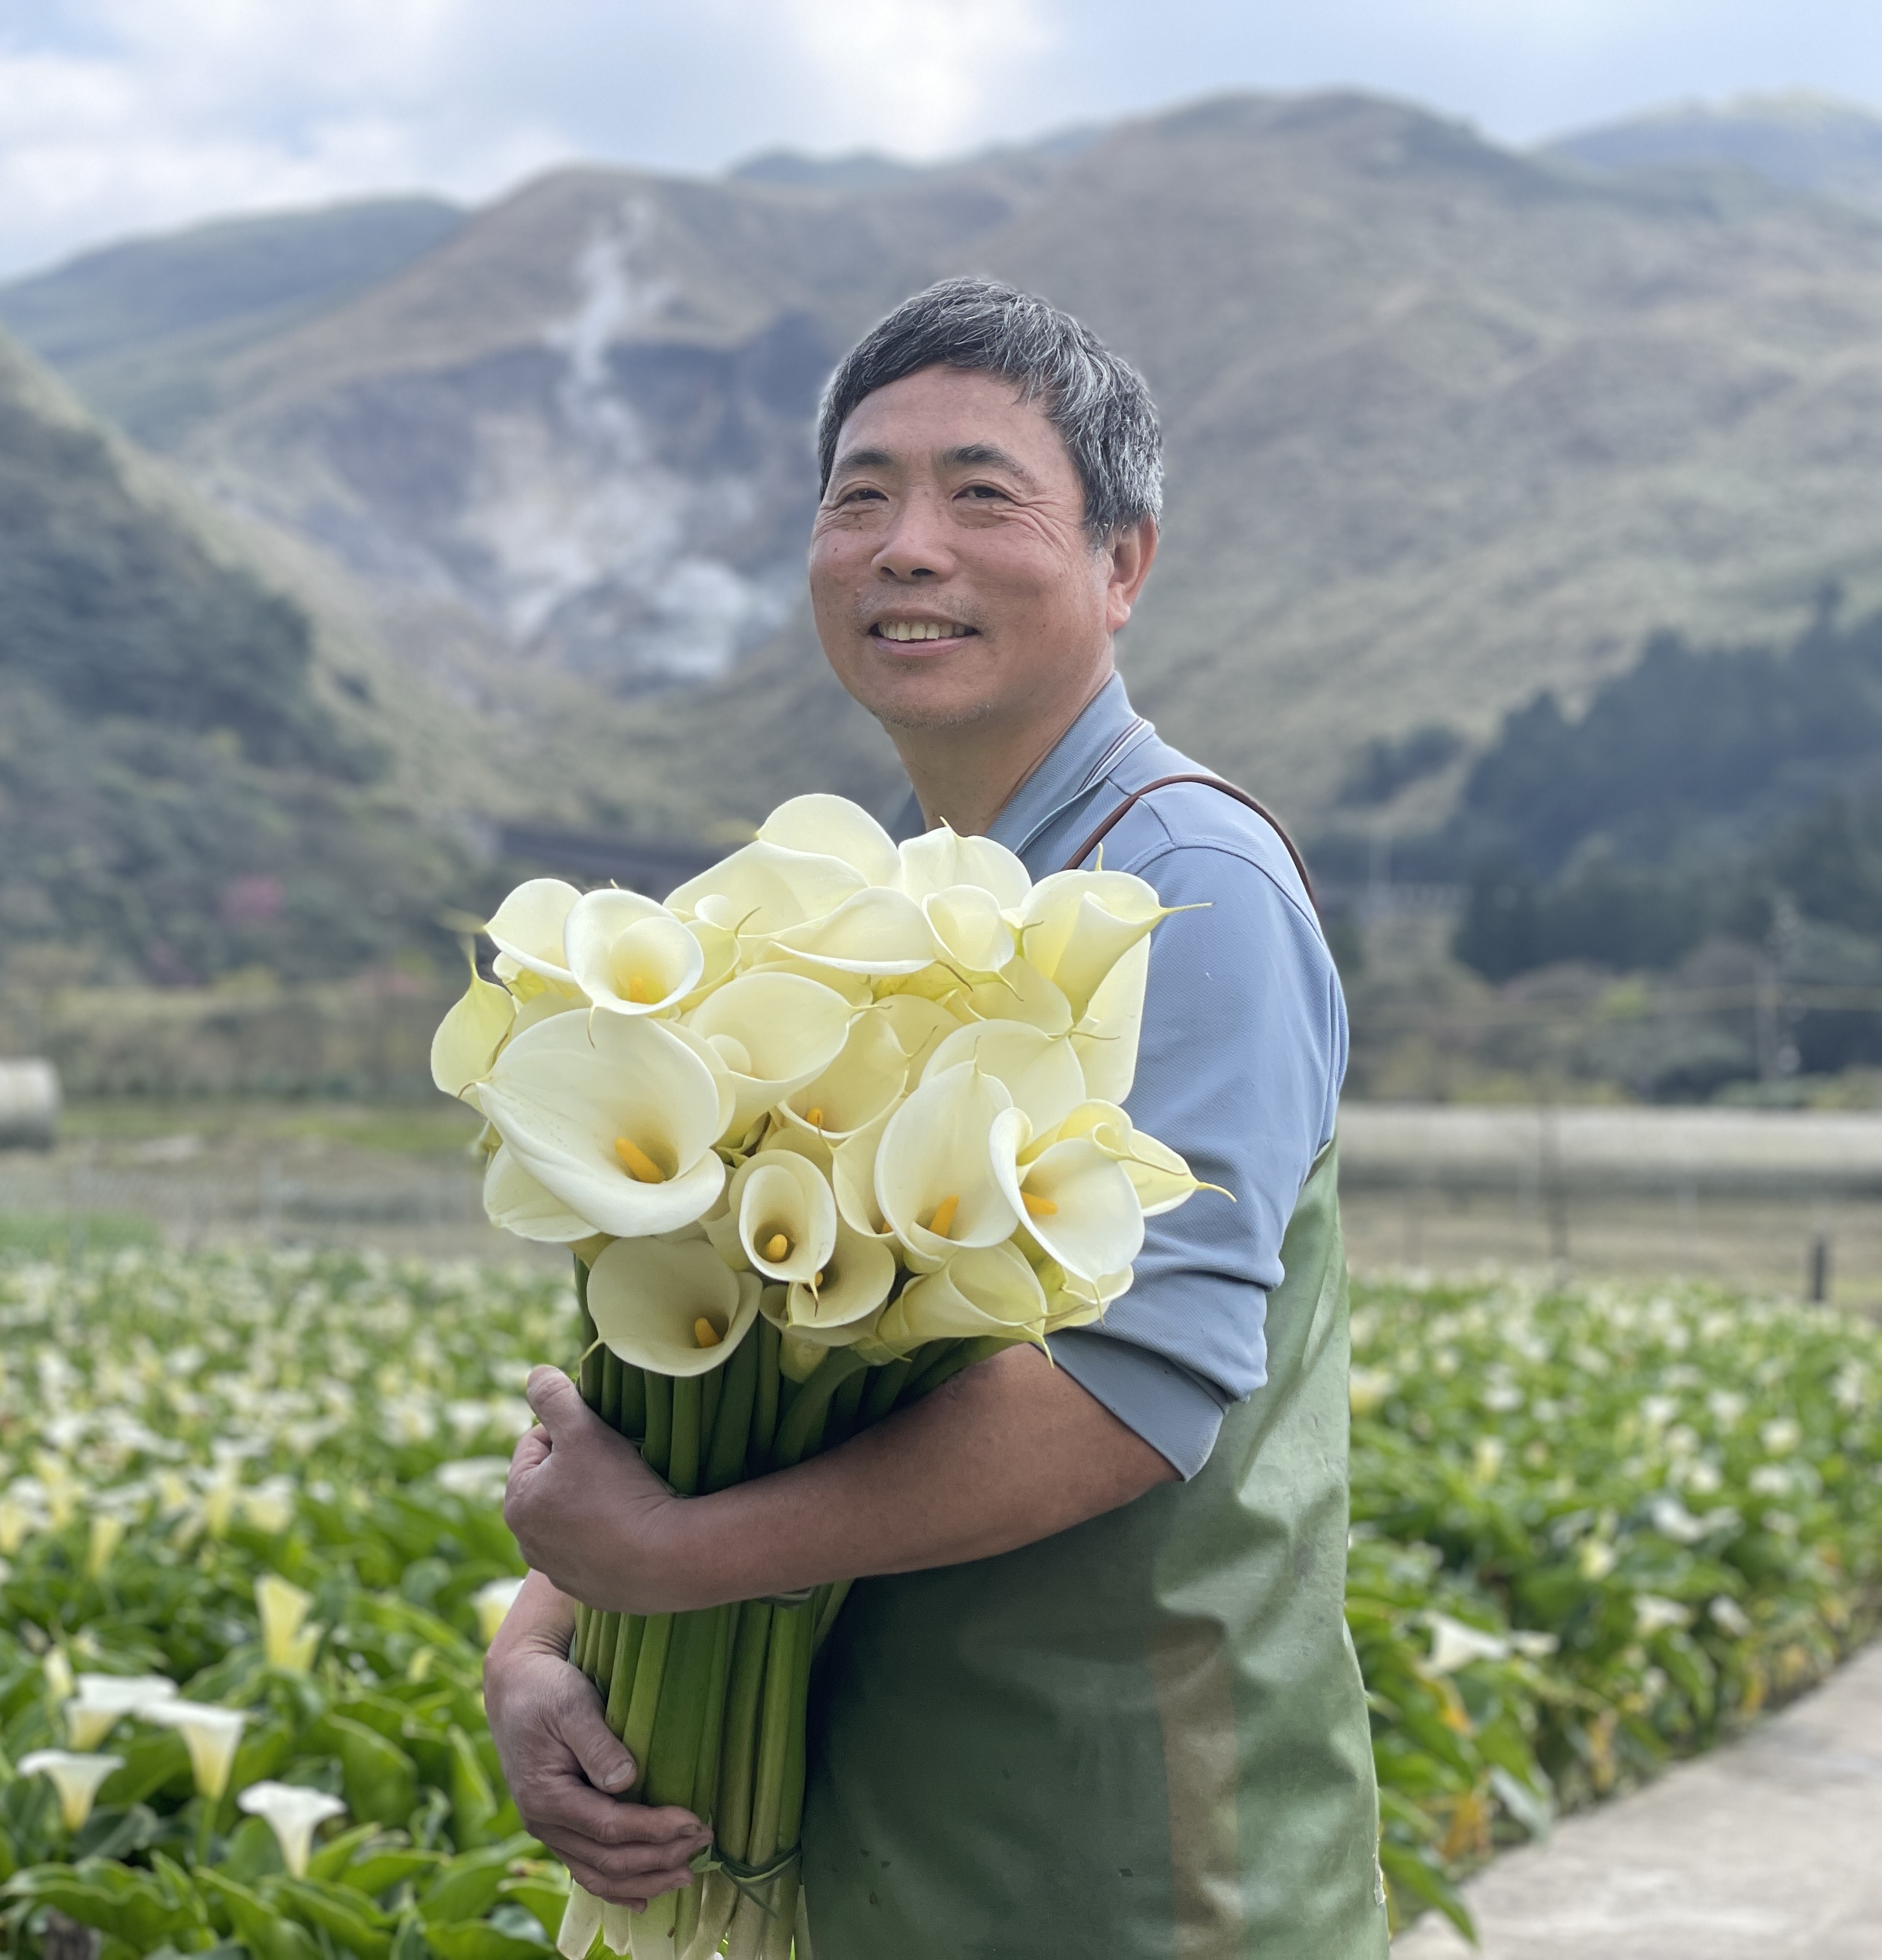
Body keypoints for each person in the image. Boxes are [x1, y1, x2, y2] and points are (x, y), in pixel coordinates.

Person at [484, 277, 1388, 1956]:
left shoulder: (1179, 884)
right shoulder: (899, 901)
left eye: (984, 496)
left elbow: (1127, 1396)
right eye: (860, 496)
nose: (908, 545)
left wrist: (669, 1564)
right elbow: (759, 1361)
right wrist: (541, 1640)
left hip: (1125, 1860)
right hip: (891, 1838)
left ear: (1126, 566)